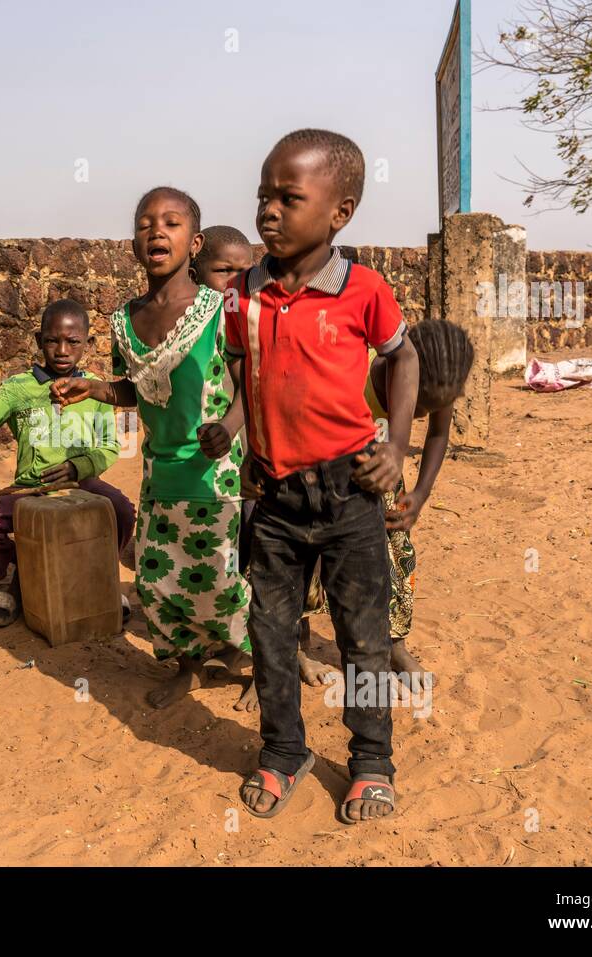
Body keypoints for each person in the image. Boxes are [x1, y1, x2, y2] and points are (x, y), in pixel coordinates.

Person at [219, 129, 419, 822]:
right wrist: (244, 433)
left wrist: (397, 441)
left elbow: (404, 359)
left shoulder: (362, 288)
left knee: (363, 635)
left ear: (341, 212)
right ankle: (283, 751)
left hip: (349, 490)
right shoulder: (245, 290)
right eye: (262, 197)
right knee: (271, 632)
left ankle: (370, 760)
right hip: (275, 496)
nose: (267, 211)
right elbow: (248, 366)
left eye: (288, 198)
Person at [53, 187, 251, 710]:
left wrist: (229, 428)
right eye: (145, 223)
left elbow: (250, 382)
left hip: (217, 473)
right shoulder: (125, 320)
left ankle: (254, 667)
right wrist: (94, 388)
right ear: (134, 242)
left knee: (221, 581)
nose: (156, 231)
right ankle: (186, 668)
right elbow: (138, 388)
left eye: (171, 223)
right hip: (161, 474)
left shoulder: (218, 310)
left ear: (195, 241)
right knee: (161, 582)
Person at [297, 319, 476, 687]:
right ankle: (296, 647)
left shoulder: (439, 380)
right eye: (420, 404)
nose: (422, 413)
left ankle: (395, 644)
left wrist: (421, 493)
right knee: (304, 561)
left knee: (394, 556)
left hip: (381, 479)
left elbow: (439, 433)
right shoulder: (356, 371)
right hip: (319, 474)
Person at [0, 298, 135, 627]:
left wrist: (78, 467)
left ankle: (98, 577)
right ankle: (24, 580)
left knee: (121, 511)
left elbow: (111, 446)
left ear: (87, 343)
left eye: (73, 342)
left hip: (80, 487)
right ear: (40, 341)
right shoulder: (16, 389)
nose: (62, 350)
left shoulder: (96, 390)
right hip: (28, 491)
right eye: (53, 340)